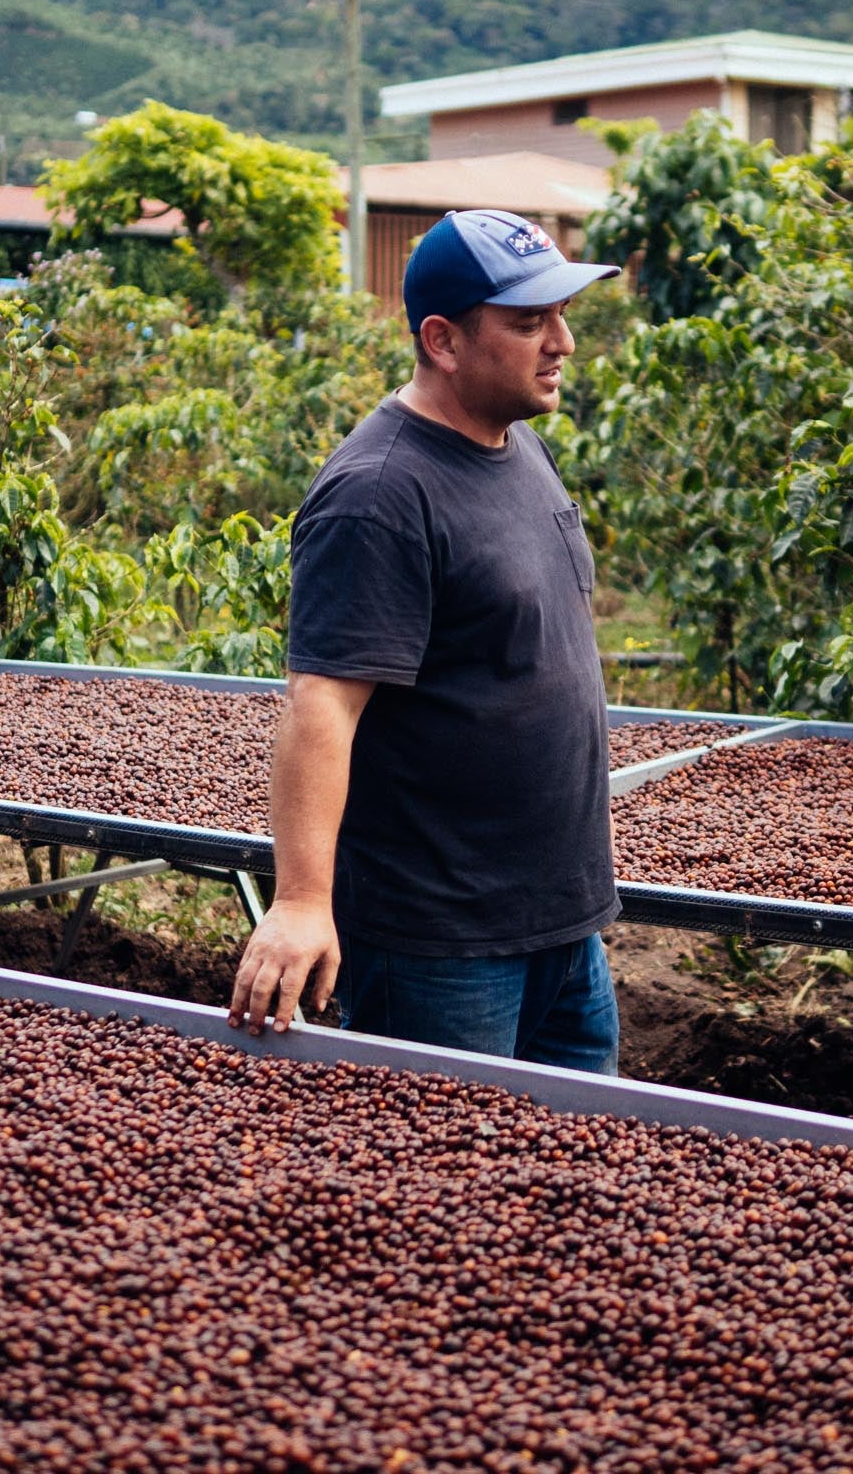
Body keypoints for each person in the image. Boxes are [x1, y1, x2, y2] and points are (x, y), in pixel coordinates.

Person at [226, 208, 622, 1072]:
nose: (561, 343)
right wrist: (299, 901)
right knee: (439, 1193)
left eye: (560, 316)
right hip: (441, 946)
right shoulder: (378, 492)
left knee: (575, 1192)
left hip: (563, 929)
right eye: (528, 324)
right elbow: (322, 699)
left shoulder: (518, 447)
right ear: (442, 340)